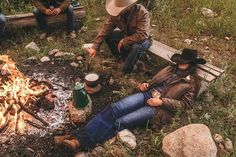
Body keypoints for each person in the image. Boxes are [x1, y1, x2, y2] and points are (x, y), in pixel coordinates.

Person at [54, 48, 206, 150]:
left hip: (159, 108)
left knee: (121, 121)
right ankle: (76, 136)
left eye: (183, 62)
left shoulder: (192, 82)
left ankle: (79, 143)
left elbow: (185, 105)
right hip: (149, 94)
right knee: (114, 109)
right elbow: (156, 81)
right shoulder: (170, 68)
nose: (180, 64)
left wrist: (162, 102)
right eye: (179, 61)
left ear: (191, 64)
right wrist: (147, 84)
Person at [87, 0, 151, 74]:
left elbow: (142, 35)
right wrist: (94, 47)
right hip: (127, 34)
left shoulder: (141, 12)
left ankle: (127, 69)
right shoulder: (115, 14)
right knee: (109, 35)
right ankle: (120, 57)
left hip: (143, 39)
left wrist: (124, 41)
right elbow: (105, 29)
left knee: (136, 47)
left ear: (129, 7)